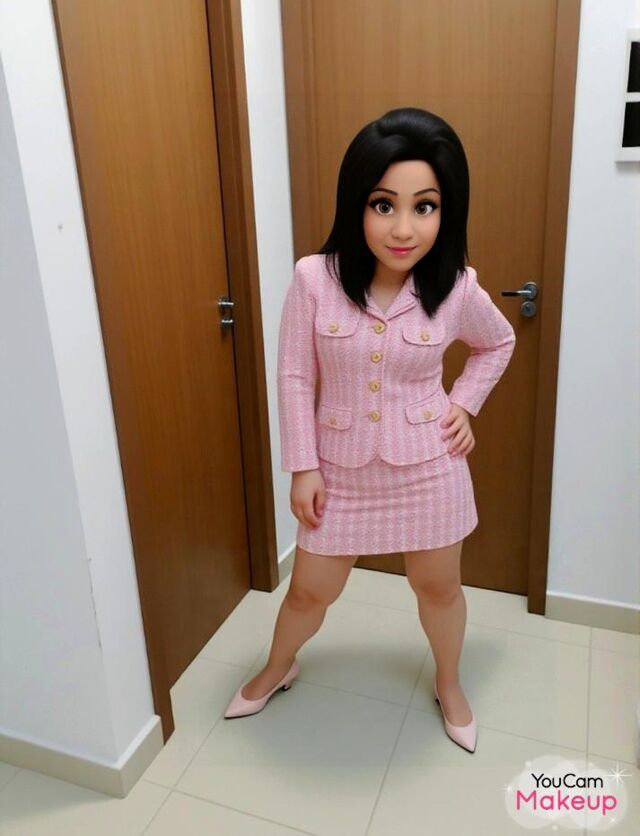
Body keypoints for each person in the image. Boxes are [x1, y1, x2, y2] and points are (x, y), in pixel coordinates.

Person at [224, 107, 516, 753]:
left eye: (424, 206)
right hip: (339, 468)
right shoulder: (314, 278)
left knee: (438, 587)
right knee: (309, 591)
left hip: (430, 466)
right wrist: (303, 465)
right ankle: (277, 667)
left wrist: (465, 404)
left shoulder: (456, 286)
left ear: (446, 211)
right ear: (357, 204)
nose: (404, 228)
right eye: (384, 205)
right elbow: (295, 375)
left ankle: (449, 682)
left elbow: (498, 342)